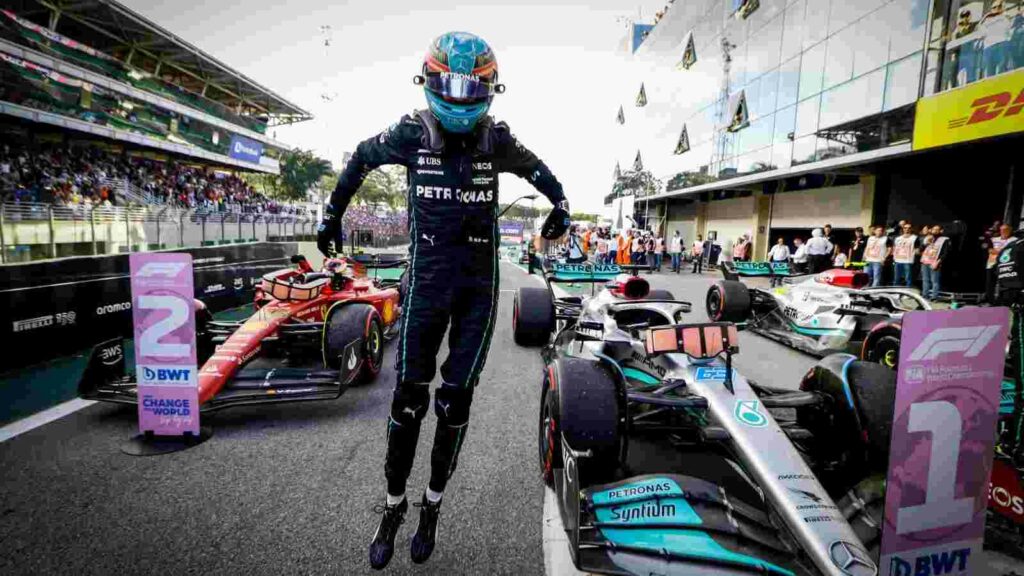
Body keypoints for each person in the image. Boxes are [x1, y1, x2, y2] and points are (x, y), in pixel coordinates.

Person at [315, 32, 571, 570]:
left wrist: (563, 206)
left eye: (469, 85)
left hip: (479, 287)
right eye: (448, 84)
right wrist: (331, 215)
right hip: (428, 281)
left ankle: (432, 505)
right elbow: (361, 157)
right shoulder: (409, 132)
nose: (458, 97)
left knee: (455, 403)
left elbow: (542, 171)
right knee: (408, 399)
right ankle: (393, 506)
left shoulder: (496, 139)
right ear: (429, 80)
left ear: (488, 88)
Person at [987, 223, 1015, 303]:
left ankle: (1004, 300)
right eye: (1002, 230)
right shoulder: (994, 239)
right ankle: (990, 300)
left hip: (1006, 264)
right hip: (991, 264)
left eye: (1006, 230)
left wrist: (997, 251)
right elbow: (989, 250)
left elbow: (1013, 251)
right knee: (990, 283)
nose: (1003, 231)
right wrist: (1003, 251)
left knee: (1005, 283)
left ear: (1010, 231)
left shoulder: (1014, 240)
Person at [920, 225, 949, 301]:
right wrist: (926, 243)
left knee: (934, 281)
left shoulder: (944, 239)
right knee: (925, 280)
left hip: (935, 262)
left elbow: (945, 253)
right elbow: (921, 249)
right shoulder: (928, 238)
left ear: (941, 231)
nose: (935, 231)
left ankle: (934, 297)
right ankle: (925, 296)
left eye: (937, 230)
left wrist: (938, 262)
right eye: (933, 229)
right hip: (925, 261)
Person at [892, 222, 918, 287]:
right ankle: (895, 292)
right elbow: (895, 248)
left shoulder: (914, 238)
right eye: (905, 228)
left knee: (908, 279)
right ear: (903, 229)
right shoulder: (898, 238)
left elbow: (917, 249)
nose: (907, 229)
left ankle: (907, 292)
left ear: (911, 229)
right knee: (896, 278)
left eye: (909, 228)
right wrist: (894, 258)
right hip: (898, 260)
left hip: (908, 261)